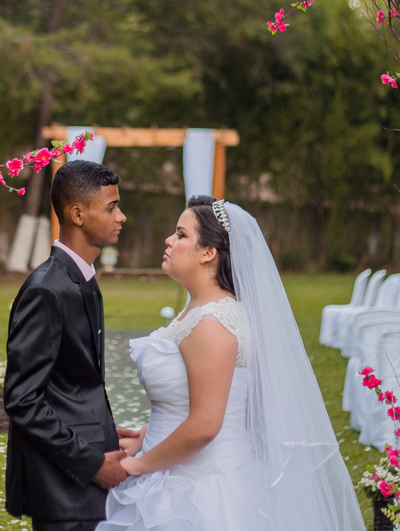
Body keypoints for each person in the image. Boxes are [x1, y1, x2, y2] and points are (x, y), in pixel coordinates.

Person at [98, 197, 366, 531]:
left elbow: (205, 425)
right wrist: (146, 437)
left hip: (199, 491)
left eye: (181, 235)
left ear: (208, 252)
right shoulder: (203, 312)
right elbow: (192, 398)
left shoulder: (213, 323)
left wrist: (137, 466)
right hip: (173, 466)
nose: (169, 240)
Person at [4, 160, 141, 531]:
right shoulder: (46, 291)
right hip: (64, 484)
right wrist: (92, 463)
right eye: (111, 207)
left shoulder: (81, 280)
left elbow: (74, 382)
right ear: (77, 214)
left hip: (86, 469)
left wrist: (108, 430)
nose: (121, 216)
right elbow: (22, 399)